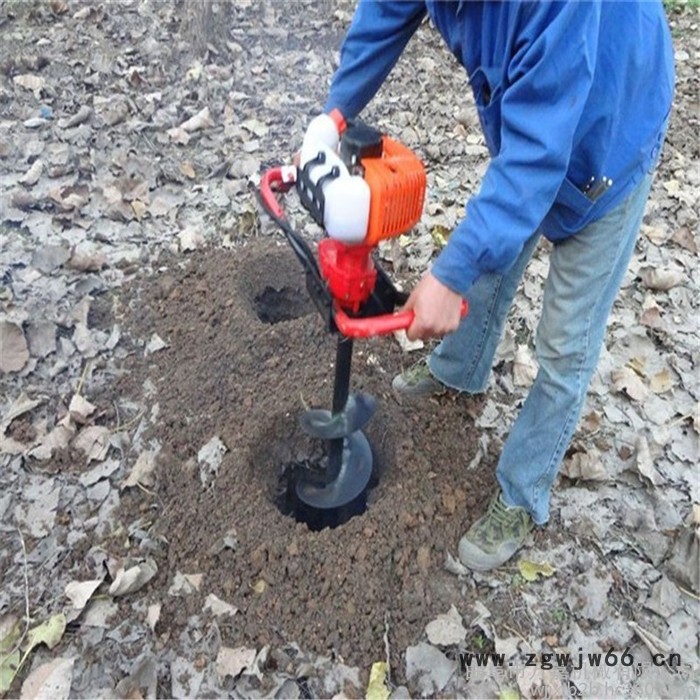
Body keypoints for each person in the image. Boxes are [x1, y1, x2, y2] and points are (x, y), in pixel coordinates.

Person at [305, 0, 674, 571]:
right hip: (536, 114)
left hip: (612, 131)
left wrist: (448, 276)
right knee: (491, 252)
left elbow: (533, 160)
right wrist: (330, 118)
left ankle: (523, 493)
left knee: (564, 339)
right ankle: (458, 370)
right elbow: (383, 13)